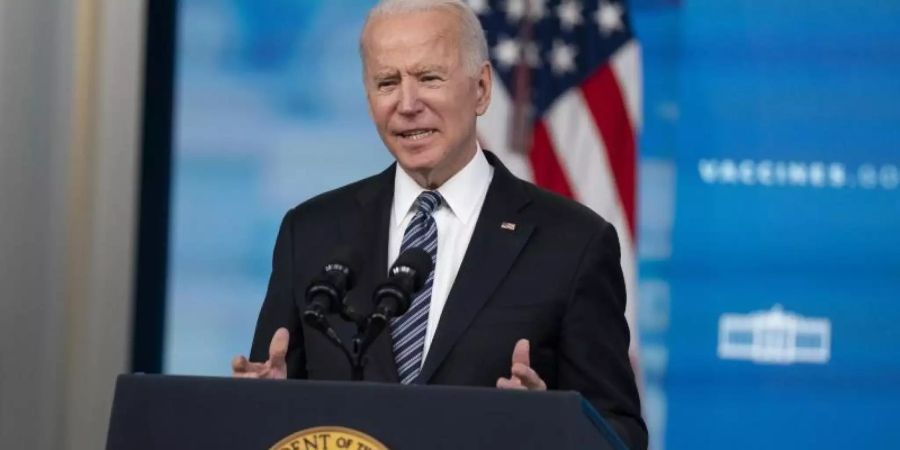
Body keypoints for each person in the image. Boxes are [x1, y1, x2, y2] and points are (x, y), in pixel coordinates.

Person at [232, 0, 647, 448]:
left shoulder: (573, 243)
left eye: (429, 78)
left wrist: (550, 424)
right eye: (387, 82)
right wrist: (263, 406)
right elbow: (274, 402)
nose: (408, 104)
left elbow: (620, 433)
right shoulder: (310, 232)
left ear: (482, 88)